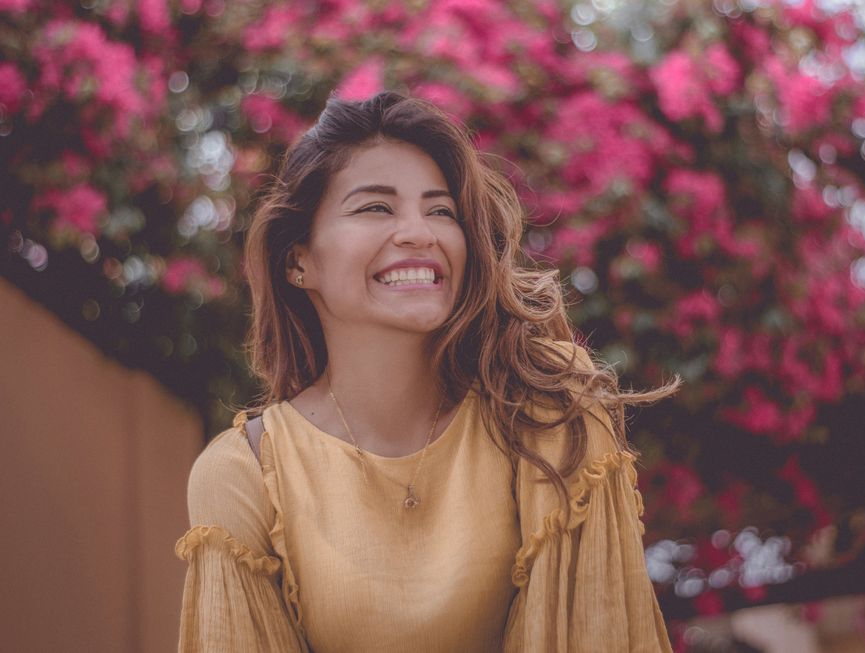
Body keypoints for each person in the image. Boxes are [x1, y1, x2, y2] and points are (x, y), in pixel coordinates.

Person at [174, 91, 678, 652]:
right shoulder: (243, 473)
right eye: (375, 207)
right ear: (299, 260)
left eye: (442, 211)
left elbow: (595, 633)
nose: (420, 233)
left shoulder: (548, 404)